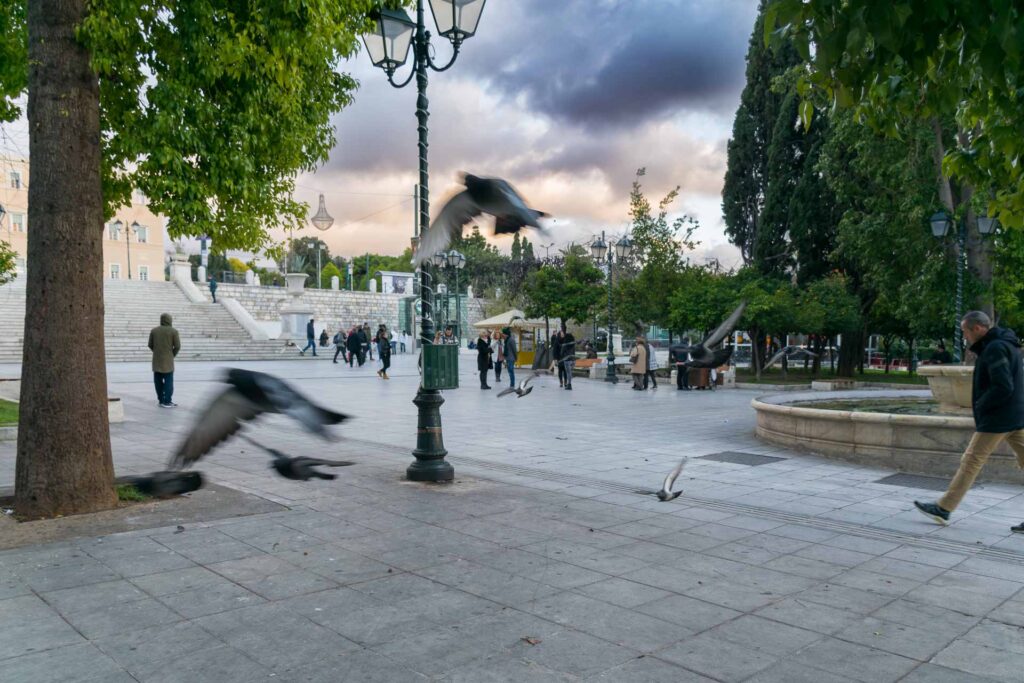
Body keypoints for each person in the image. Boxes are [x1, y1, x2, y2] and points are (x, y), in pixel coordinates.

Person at [914, 311, 1024, 532]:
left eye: (965, 331)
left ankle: (944, 507)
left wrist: (981, 404)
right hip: (1017, 415)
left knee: (971, 460)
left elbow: (1003, 386)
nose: (964, 336)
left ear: (978, 328)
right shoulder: (1008, 344)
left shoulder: (994, 348)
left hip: (999, 418)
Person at [148, 313, 180, 407]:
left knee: (157, 381)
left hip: (156, 360)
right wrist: (172, 354)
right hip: (168, 361)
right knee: (168, 381)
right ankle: (167, 401)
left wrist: (157, 351)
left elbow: (150, 344)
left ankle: (161, 400)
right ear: (170, 320)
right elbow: (177, 346)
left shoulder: (154, 331)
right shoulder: (173, 331)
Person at [560, 325, 576, 390]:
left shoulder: (565, 344)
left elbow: (562, 352)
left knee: (567, 372)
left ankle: (569, 384)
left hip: (567, 360)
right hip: (572, 359)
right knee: (569, 372)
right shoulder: (572, 344)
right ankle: (569, 383)